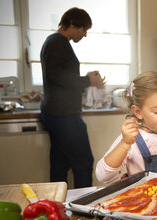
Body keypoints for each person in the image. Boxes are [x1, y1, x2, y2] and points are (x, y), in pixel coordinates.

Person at [40, 7, 105, 188]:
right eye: (83, 29)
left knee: (60, 165)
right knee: (84, 162)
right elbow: (56, 75)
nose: (84, 35)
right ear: (71, 24)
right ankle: (83, 206)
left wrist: (87, 81)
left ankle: (58, 205)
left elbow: (61, 76)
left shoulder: (56, 42)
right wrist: (87, 80)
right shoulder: (57, 42)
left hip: (57, 113)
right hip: (64, 116)